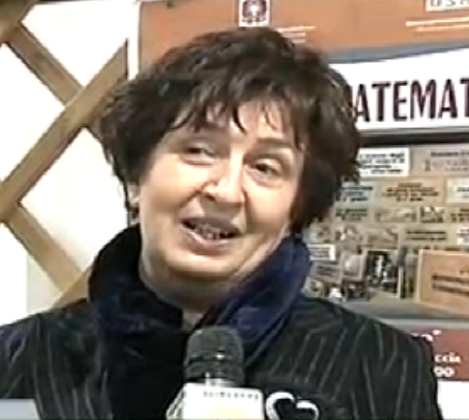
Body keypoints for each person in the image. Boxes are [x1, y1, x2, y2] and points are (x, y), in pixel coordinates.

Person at [0, 27, 442, 420]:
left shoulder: (380, 364)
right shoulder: (16, 362)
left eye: (265, 167)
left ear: (297, 210)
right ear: (136, 177)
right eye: (199, 151)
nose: (227, 191)